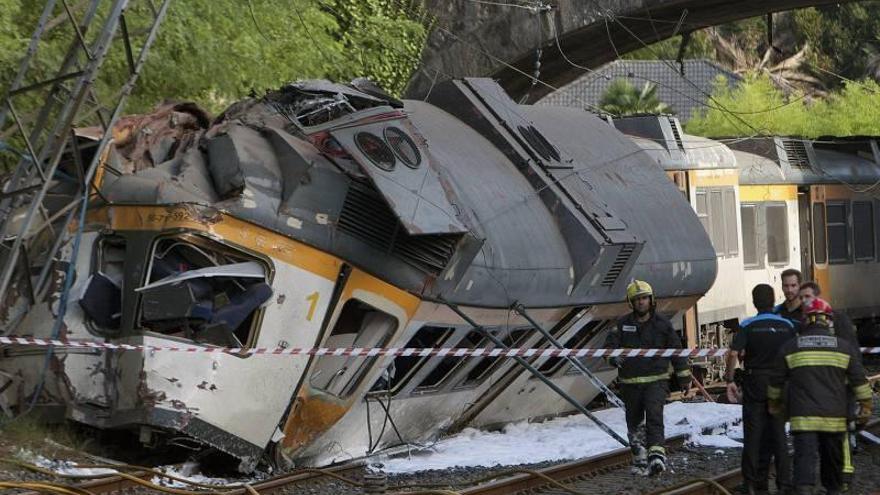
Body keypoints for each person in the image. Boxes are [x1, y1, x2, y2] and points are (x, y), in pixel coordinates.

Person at [768, 298, 873, 495]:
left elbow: (775, 383)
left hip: (803, 419)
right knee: (832, 464)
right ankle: (832, 490)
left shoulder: (791, 347)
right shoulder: (844, 348)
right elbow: (860, 383)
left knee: (804, 463)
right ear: (828, 320)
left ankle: (805, 490)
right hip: (834, 419)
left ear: (805, 320)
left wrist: (775, 406)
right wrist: (865, 409)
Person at [604, 280, 691, 476]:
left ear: (651, 300)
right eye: (637, 299)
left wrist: (684, 378)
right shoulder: (622, 325)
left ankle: (657, 457)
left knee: (654, 418)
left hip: (656, 381)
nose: (641, 302)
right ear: (631, 303)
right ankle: (640, 458)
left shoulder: (662, 324)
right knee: (634, 424)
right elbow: (608, 347)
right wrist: (613, 358)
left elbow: (676, 351)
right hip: (630, 384)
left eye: (644, 298)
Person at [725, 284, 795, 495]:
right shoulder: (787, 325)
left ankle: (751, 484)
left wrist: (730, 379)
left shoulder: (748, 325)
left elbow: (733, 354)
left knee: (753, 436)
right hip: (779, 384)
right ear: (773, 300)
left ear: (754, 302)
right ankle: (784, 484)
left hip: (755, 383)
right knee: (779, 435)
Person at [798, 282, 858, 346]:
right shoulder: (803, 320)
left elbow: (850, 343)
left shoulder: (839, 318)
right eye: (801, 298)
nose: (803, 300)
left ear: (818, 297)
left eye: (807, 296)